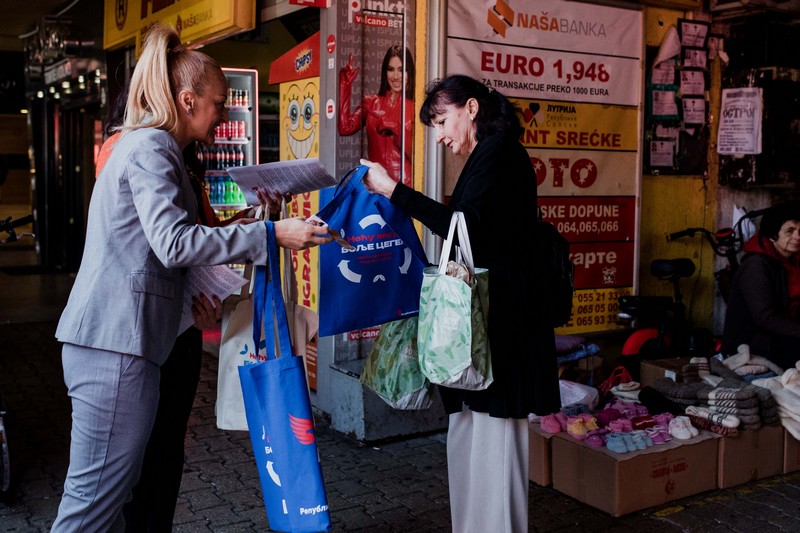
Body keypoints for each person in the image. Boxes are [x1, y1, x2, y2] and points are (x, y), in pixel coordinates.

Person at [51, 23, 331, 532]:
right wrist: (270, 235)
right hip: (117, 347)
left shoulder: (154, 148)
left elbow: (163, 246)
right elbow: (174, 242)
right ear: (186, 100)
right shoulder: (152, 148)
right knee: (90, 510)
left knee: (106, 505)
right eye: (219, 104)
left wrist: (250, 224)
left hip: (122, 344)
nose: (225, 116)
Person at [361, 74, 560, 532]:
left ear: (472, 108)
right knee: (473, 432)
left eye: (443, 119)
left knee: (494, 438)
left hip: (502, 322)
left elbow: (463, 228)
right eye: (435, 125)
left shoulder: (499, 153)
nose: (442, 134)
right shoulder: (491, 153)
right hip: (488, 319)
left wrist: (393, 191)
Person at [722, 202, 800, 370]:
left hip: (778, 336)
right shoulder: (757, 265)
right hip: (755, 343)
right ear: (773, 235)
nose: (798, 237)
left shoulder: (790, 261)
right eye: (790, 231)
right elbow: (765, 317)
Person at [338, 45, 415, 188]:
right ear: (384, 72)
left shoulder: (415, 107)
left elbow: (416, 154)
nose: (396, 76)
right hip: (375, 182)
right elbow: (345, 128)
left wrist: (395, 127)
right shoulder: (371, 102)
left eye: (402, 70)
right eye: (391, 69)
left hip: (404, 183)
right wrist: (345, 85)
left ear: (409, 73)